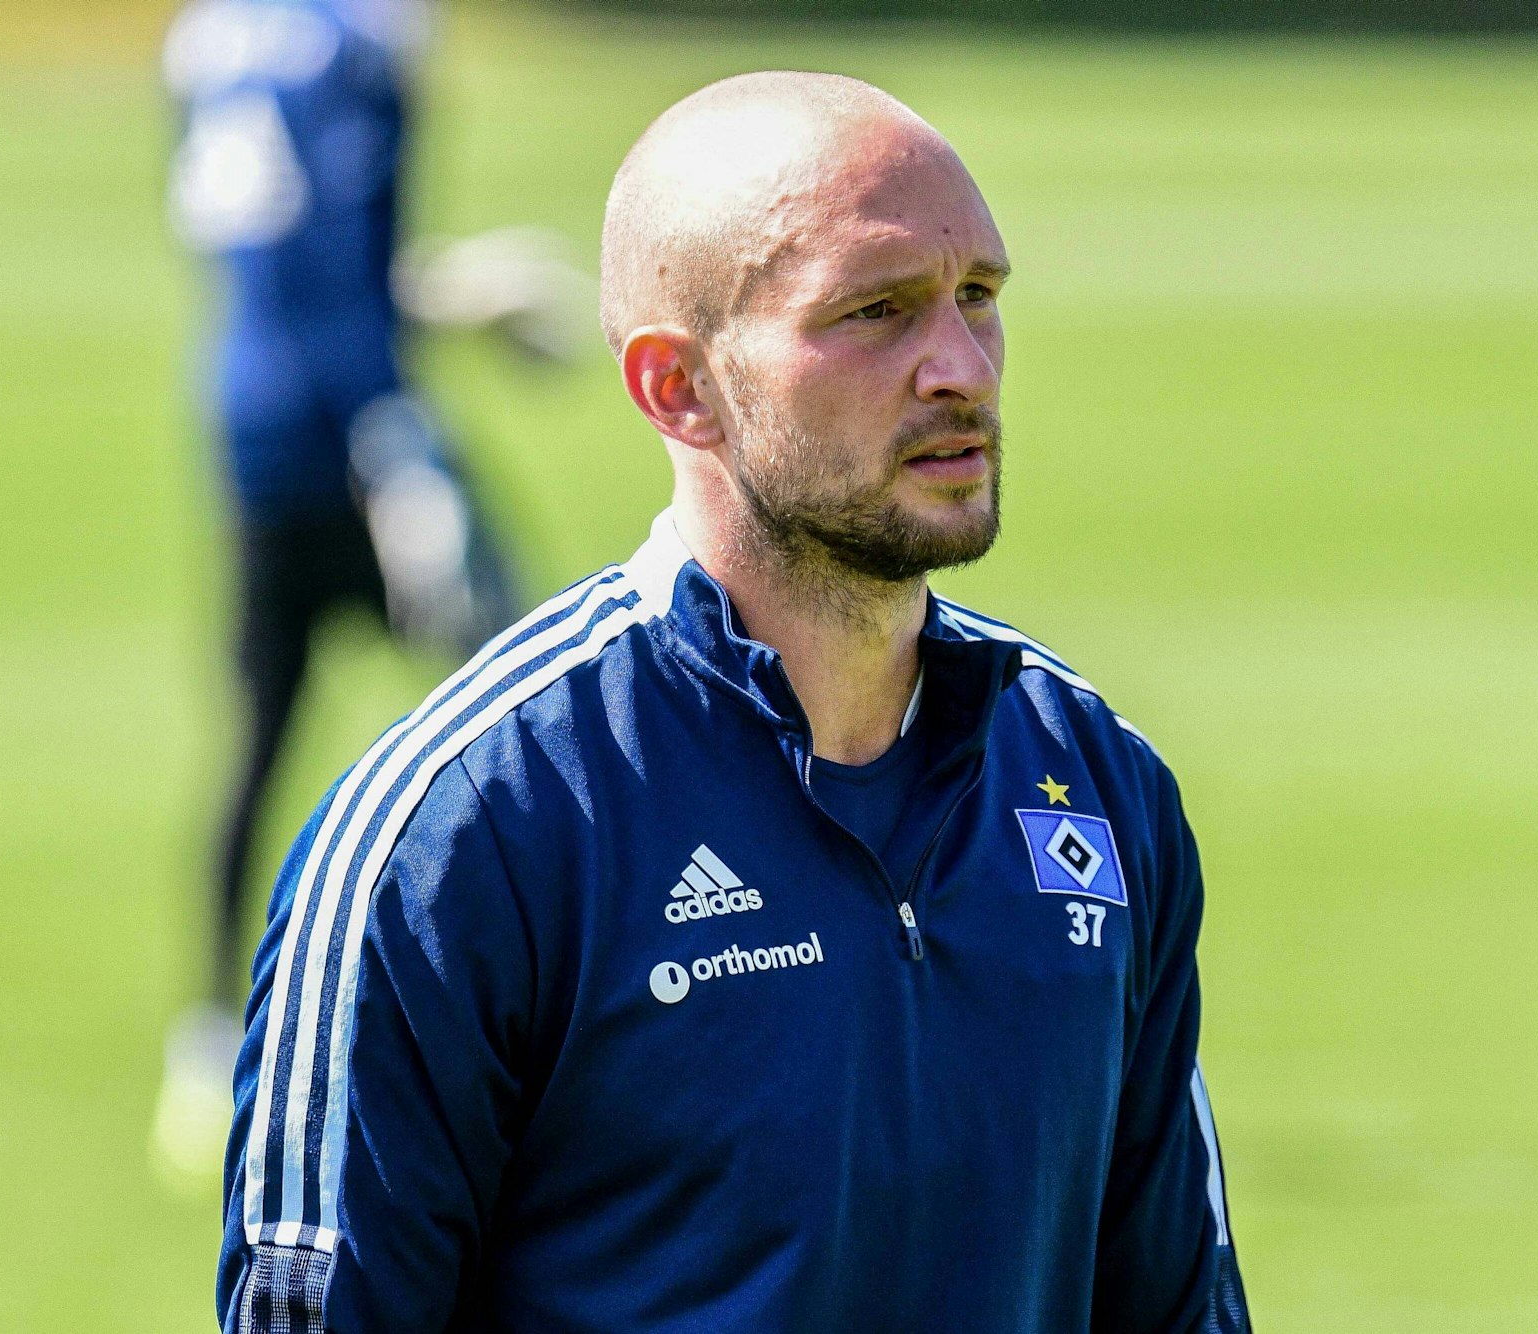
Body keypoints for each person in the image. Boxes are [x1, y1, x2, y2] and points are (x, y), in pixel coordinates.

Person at [219, 71, 1250, 1332]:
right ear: (676, 385)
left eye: (977, 297)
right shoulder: (460, 833)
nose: (958, 368)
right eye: (874, 311)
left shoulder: (1095, 777)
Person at [151, 0, 574, 1183]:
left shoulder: (211, 35)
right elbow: (333, 262)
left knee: (258, 732)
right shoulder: (364, 43)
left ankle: (206, 1042)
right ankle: (571, 1016)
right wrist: (398, 451)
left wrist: (442, 299)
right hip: (354, 432)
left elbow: (277, 260)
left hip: (248, 425)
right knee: (535, 719)